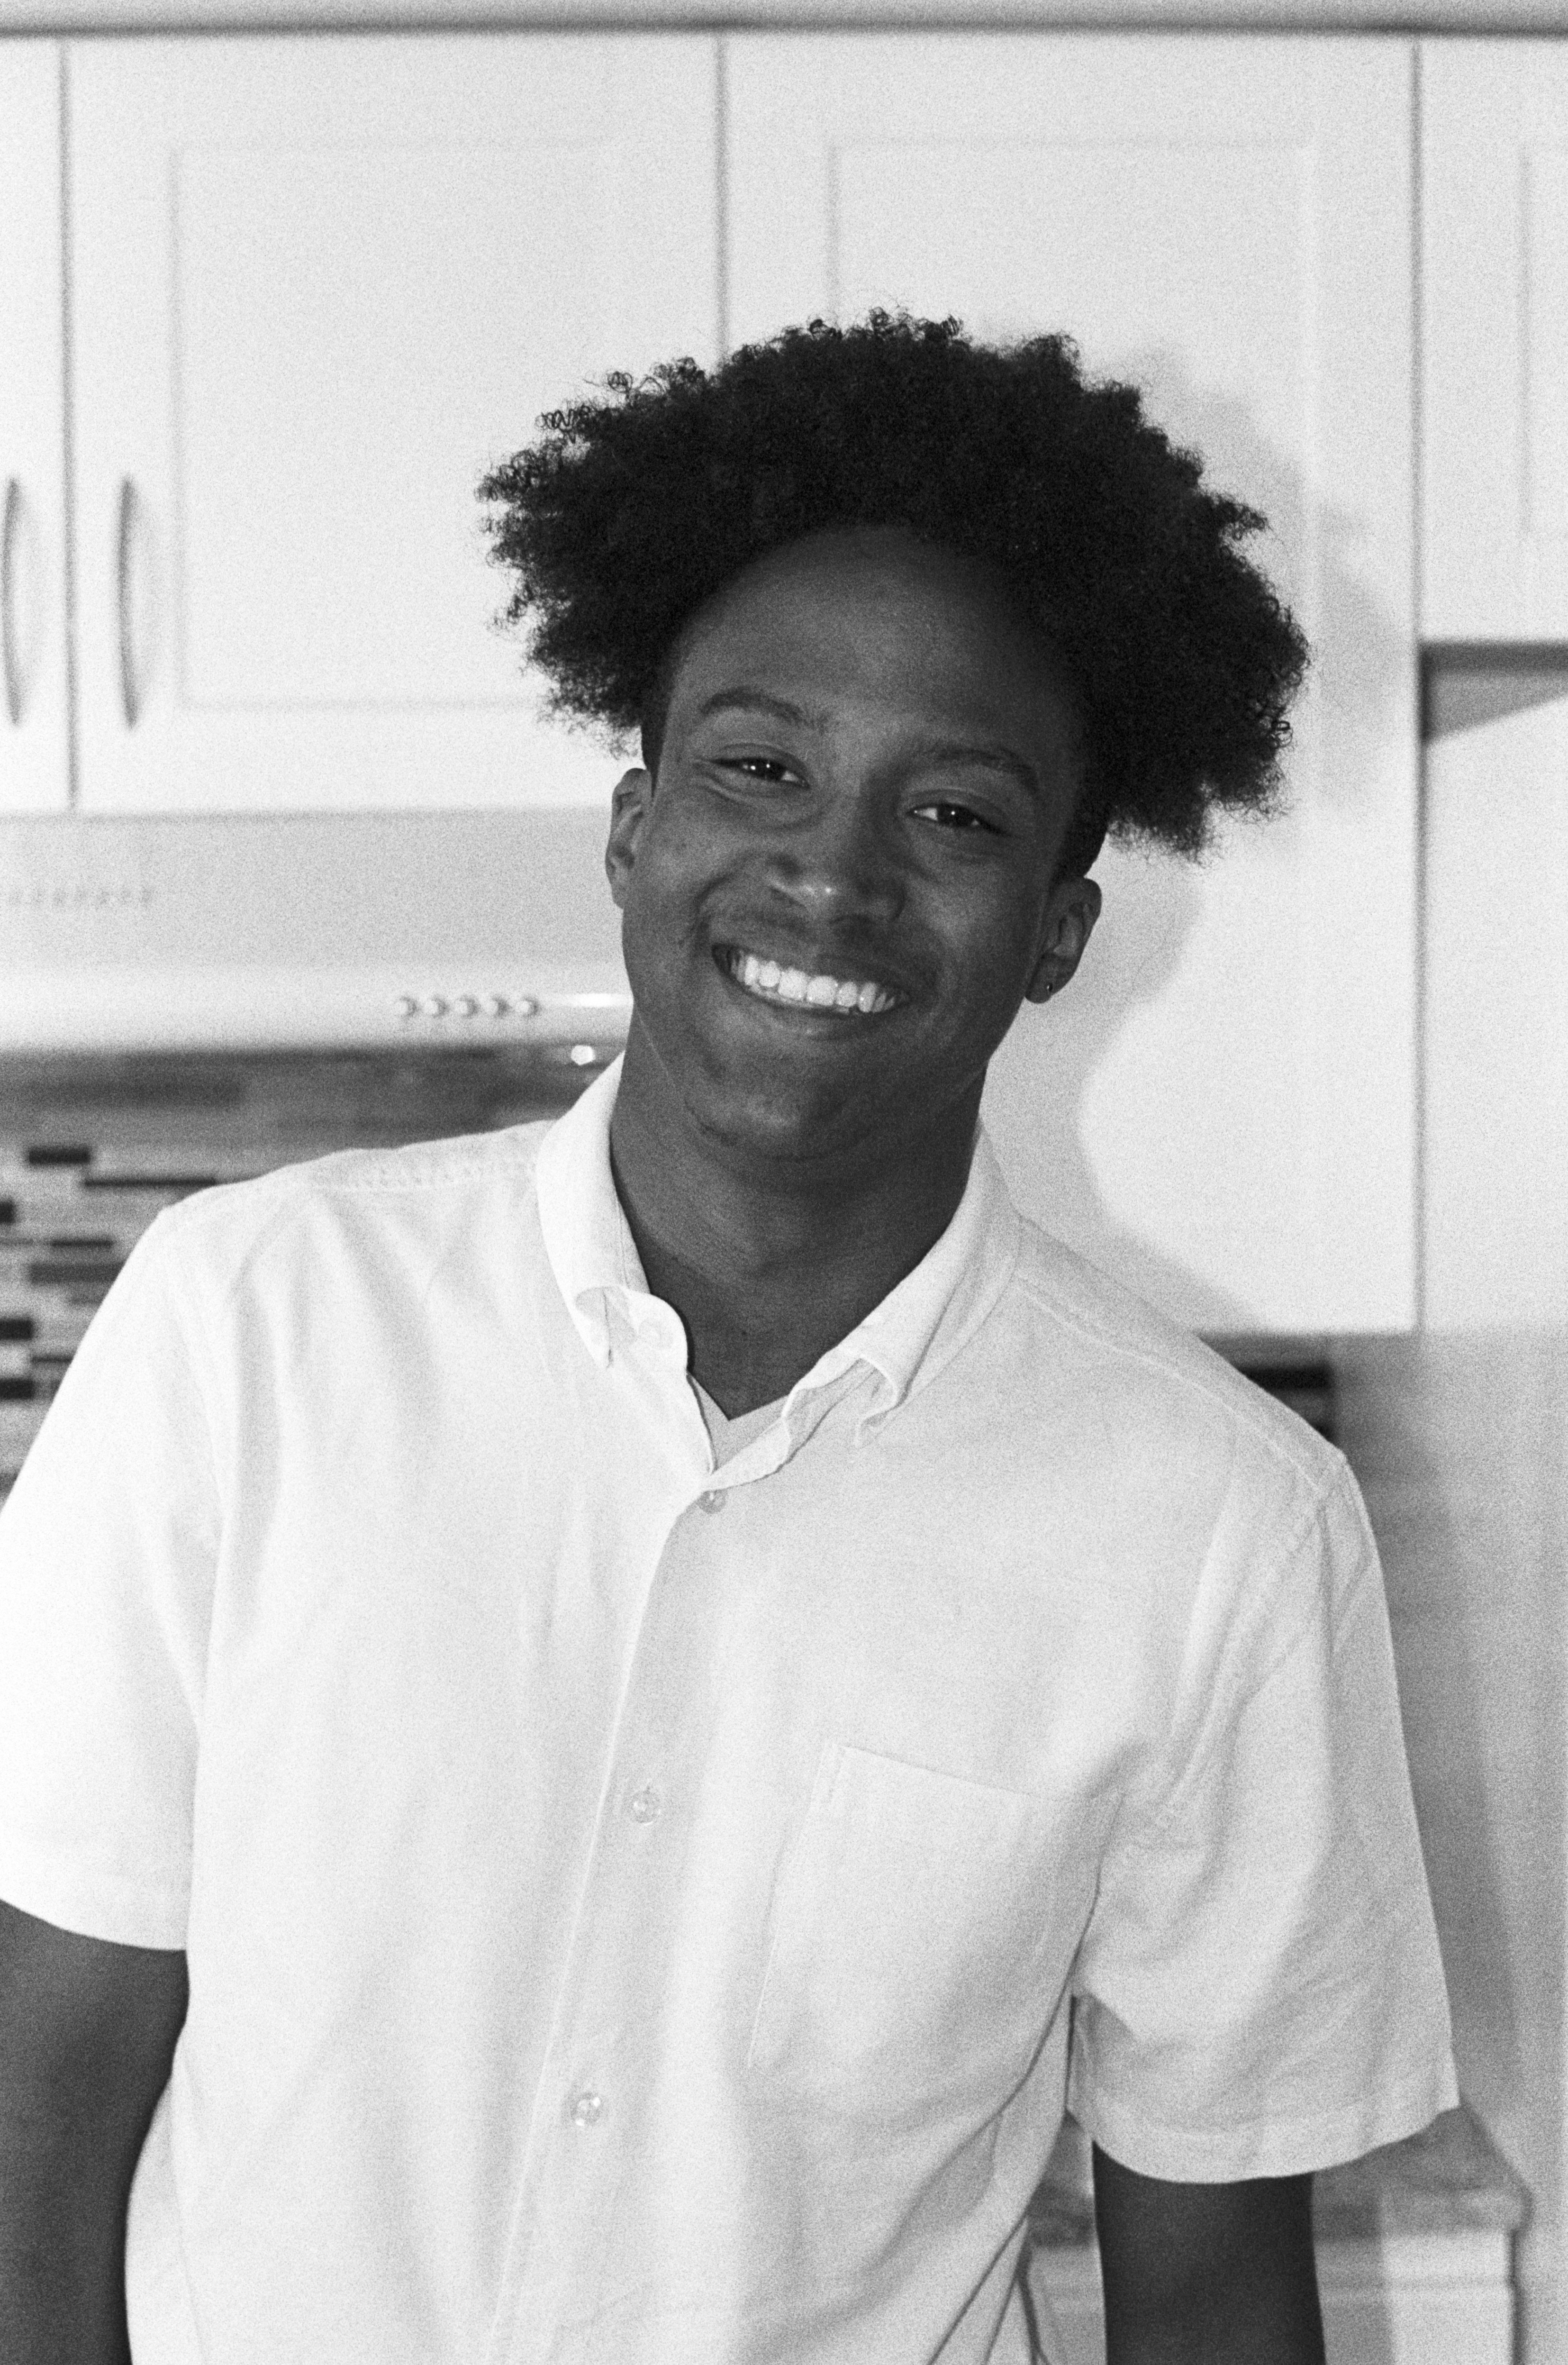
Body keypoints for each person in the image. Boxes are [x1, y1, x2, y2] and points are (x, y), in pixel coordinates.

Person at [0, 312, 1455, 2365]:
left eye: (953, 815)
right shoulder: (252, 1330)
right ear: (634, 829)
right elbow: (38, 2093)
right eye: (760, 767)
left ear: (1057, 929)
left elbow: (1215, 2281)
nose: (833, 872)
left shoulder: (1224, 1534)